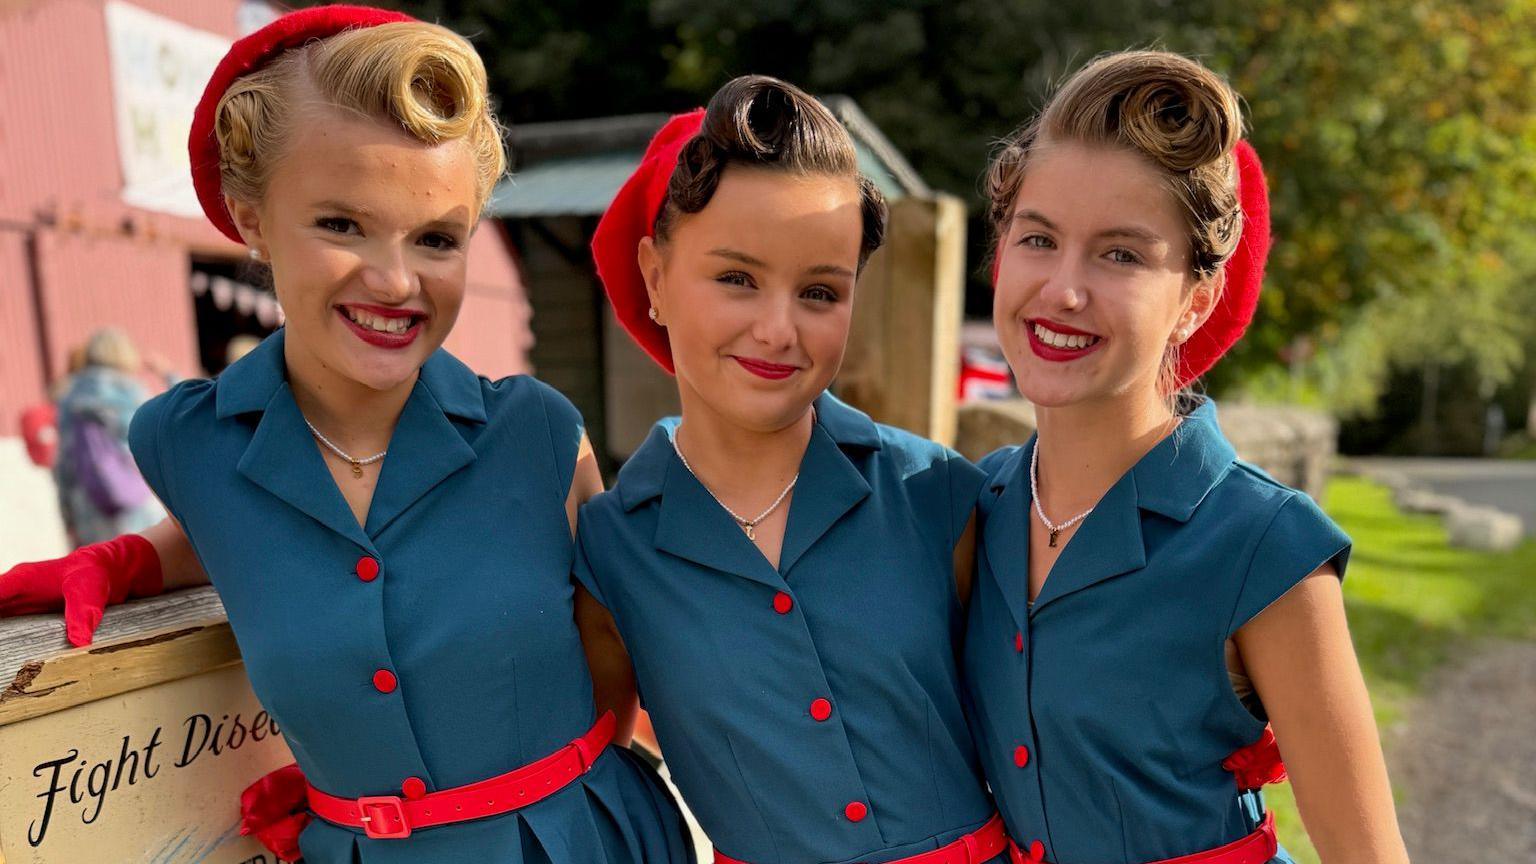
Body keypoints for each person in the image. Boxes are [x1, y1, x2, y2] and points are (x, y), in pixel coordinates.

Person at [0, 7, 693, 863]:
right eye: (341, 224)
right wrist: (128, 561)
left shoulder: (540, 435)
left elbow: (615, 656)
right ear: (251, 219)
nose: (395, 281)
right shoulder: (186, 443)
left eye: (436, 239)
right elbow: (251, 532)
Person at [962, 50, 1409, 863]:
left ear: (1195, 302)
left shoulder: (1264, 544)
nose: (1062, 289)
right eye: (1038, 239)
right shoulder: (970, 510)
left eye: (1121, 255)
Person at [577, 76, 1009, 864]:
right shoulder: (610, 549)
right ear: (655, 277)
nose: (778, 331)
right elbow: (594, 774)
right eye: (737, 279)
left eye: (818, 292)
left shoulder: (941, 495)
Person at [52, 328, 166, 545]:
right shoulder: (134, 393)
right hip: (139, 505)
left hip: (90, 511)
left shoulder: (70, 398)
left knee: (103, 564)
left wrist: (68, 518)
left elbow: (63, 466)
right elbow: (153, 448)